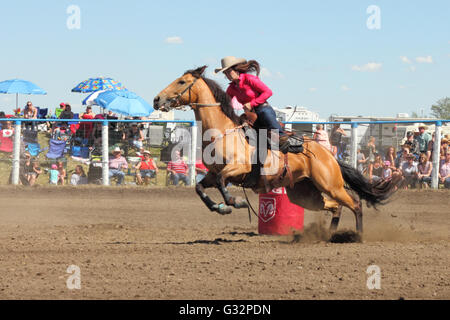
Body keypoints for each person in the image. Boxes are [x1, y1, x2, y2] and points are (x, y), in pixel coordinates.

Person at [215, 56, 290, 187]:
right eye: (225, 73)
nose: (227, 75)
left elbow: (268, 92)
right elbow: (225, 102)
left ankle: (282, 138)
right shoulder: (232, 88)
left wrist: (253, 103)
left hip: (262, 109)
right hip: (250, 116)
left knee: (265, 114)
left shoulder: (250, 79)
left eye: (228, 72)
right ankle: (254, 175)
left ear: (236, 70)